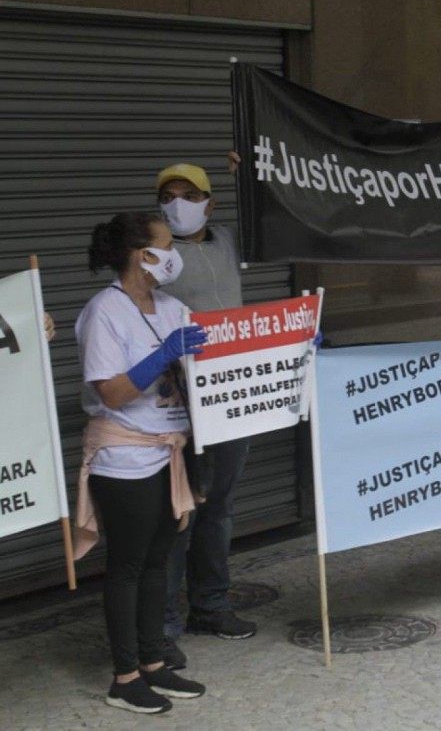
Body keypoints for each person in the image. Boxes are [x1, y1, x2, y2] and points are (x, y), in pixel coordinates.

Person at [74, 212, 208, 713]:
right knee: (128, 565)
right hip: (124, 457)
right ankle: (125, 676)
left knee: (159, 561)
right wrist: (161, 357)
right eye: (166, 245)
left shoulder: (172, 307)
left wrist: (290, 350)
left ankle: (153, 662)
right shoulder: (103, 312)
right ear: (140, 253)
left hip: (167, 448)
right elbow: (110, 391)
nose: (174, 255)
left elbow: (214, 362)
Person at [154, 163, 256, 670]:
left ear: (209, 203)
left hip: (232, 398)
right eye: (167, 196)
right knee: (178, 511)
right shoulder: (152, 254)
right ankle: (164, 627)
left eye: (187, 194)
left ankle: (210, 607)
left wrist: (255, 163)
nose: (176, 204)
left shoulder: (228, 243)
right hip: (175, 401)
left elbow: (275, 216)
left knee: (219, 505)